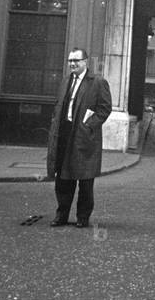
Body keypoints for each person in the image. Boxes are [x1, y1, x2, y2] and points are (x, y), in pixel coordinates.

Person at [45, 48, 112, 228]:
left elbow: (105, 109)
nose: (72, 64)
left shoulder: (98, 82)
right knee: (63, 180)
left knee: (85, 181)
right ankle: (61, 216)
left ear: (85, 62)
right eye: (70, 61)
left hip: (84, 138)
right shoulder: (66, 81)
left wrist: (89, 126)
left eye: (76, 60)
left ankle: (83, 217)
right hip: (64, 135)